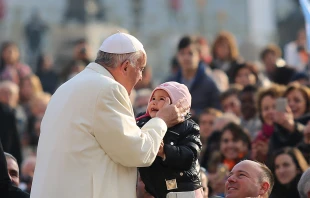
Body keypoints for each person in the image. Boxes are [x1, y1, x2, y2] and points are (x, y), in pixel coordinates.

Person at [30, 32, 188, 198]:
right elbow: (137, 152)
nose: (141, 77)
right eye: (140, 69)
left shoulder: (64, 88)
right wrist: (162, 120)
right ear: (126, 67)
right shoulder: (109, 89)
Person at [136, 81, 203, 198]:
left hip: (182, 191)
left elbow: (189, 156)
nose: (154, 102)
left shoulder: (188, 127)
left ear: (177, 106)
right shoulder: (142, 123)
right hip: (155, 191)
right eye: (153, 98)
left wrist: (164, 151)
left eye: (162, 99)